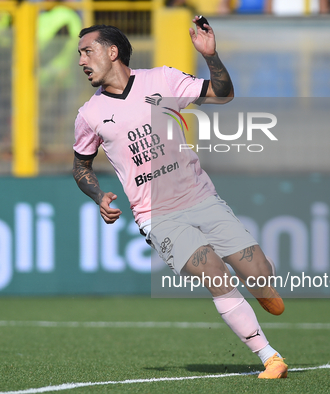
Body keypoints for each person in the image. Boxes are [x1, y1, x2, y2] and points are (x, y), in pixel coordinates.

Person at [72, 20, 288, 379]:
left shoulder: (163, 80)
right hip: (156, 215)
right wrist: (98, 195)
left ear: (112, 52)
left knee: (259, 271)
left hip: (201, 197)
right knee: (214, 274)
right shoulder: (89, 115)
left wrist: (210, 55)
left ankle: (261, 285)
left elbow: (222, 93)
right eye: (80, 54)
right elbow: (81, 166)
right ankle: (270, 357)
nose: (81, 60)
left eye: (86, 51)